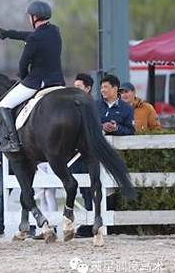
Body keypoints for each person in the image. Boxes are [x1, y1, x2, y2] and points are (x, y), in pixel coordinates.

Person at [0, 0, 65, 153]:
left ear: (35, 17)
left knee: (4, 105)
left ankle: (13, 141)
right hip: (58, 80)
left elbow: (23, 63)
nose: (29, 19)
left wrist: (24, 77)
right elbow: (28, 36)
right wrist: (9, 34)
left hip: (38, 82)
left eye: (29, 16)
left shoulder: (34, 39)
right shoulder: (55, 31)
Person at [70, 73, 95, 238]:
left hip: (88, 155)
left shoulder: (91, 105)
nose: (75, 90)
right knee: (82, 189)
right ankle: (87, 222)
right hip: (75, 156)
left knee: (90, 189)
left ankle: (91, 223)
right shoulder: (73, 106)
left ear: (88, 88)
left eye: (79, 87)